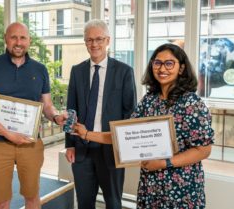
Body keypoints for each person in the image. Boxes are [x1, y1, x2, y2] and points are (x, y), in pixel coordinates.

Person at [73, 43, 214, 208]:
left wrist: (164, 163)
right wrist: (86, 134)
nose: (162, 68)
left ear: (181, 68)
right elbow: (123, 136)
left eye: (169, 63)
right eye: (157, 63)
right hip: (150, 187)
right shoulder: (149, 101)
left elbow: (204, 149)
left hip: (181, 189)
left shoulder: (192, 103)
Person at [0, 22, 66, 209]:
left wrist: (56, 117)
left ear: (29, 41)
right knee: (1, 201)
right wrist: (8, 134)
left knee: (32, 196)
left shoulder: (40, 69)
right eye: (13, 37)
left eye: (23, 37)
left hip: (30, 143)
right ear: (6, 39)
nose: (18, 42)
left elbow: (47, 106)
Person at [65, 19, 137, 209]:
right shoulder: (77, 71)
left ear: (108, 40)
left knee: (113, 203)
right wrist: (70, 145)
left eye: (99, 39)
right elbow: (71, 109)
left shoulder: (124, 72)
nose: (94, 44)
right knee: (84, 203)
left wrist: (127, 148)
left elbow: (130, 114)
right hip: (82, 149)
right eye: (89, 40)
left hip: (111, 149)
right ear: (85, 42)